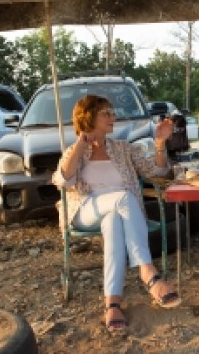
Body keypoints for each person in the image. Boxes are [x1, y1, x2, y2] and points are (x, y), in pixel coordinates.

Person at [52, 95, 181, 334]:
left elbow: (158, 173)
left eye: (112, 112)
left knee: (112, 223)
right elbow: (63, 179)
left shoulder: (123, 148)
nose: (114, 117)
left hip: (120, 213)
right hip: (85, 209)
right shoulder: (74, 150)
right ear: (89, 117)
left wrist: (160, 143)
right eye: (107, 113)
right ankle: (148, 272)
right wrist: (82, 144)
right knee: (122, 197)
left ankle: (112, 302)